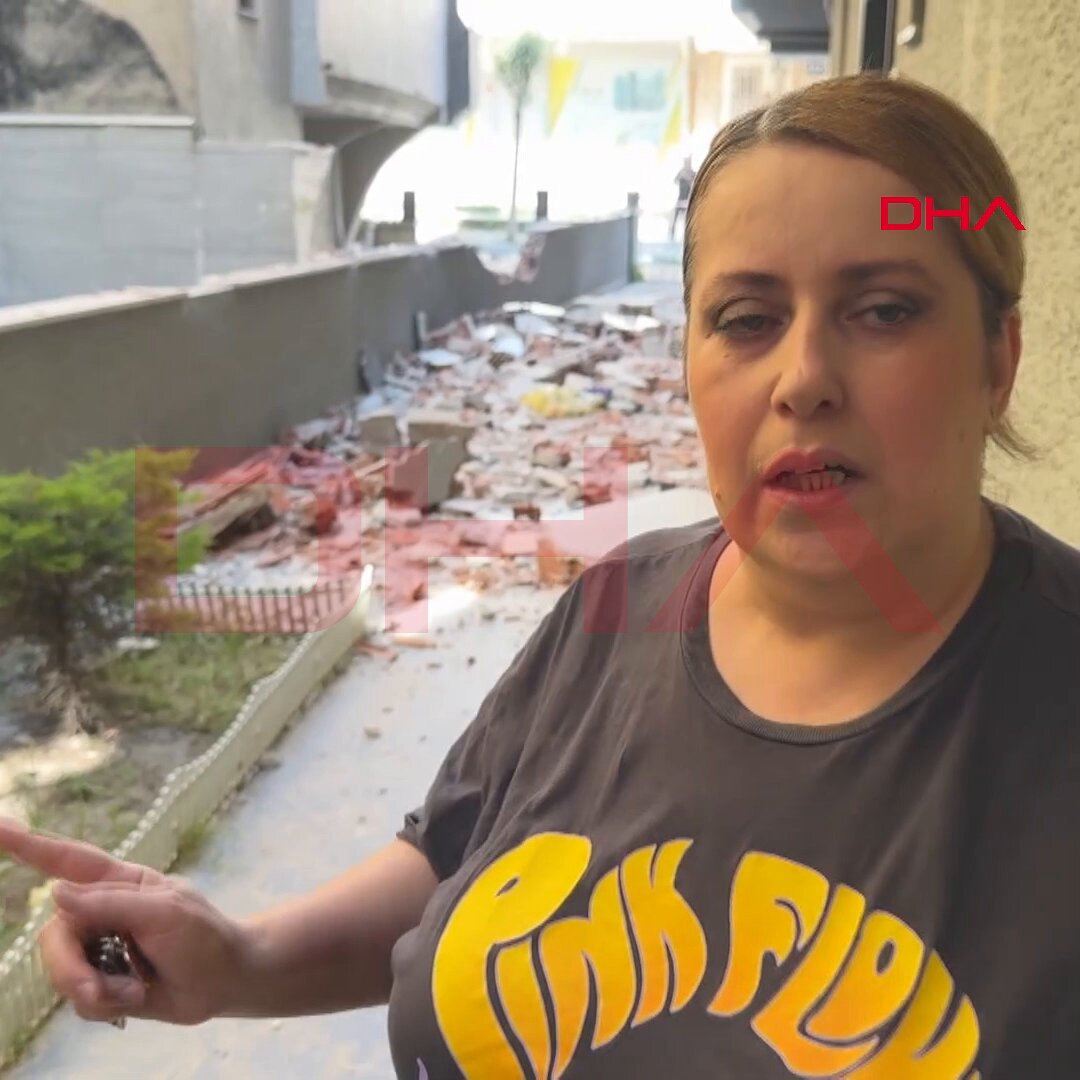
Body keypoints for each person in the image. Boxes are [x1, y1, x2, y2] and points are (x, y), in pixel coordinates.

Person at [2, 71, 1079, 1078]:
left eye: (883, 309)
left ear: (999, 358)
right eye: (746, 320)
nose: (803, 379)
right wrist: (243, 959)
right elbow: (459, 864)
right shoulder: (620, 607)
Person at [671, 154, 696, 241]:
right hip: (680, 199)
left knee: (688, 220)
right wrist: (682, 176)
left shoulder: (692, 173)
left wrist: (689, 180)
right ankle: (672, 236)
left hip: (688, 199)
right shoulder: (681, 173)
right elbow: (675, 181)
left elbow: (695, 184)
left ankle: (688, 237)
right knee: (675, 218)